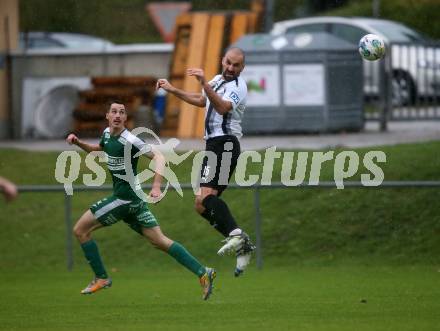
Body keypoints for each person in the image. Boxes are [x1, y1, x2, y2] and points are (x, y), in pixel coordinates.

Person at [66, 101, 216, 300]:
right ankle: (203, 272)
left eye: (122, 112)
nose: (118, 115)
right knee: (160, 241)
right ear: (107, 116)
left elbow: (160, 158)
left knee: (80, 230)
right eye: (114, 112)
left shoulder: (130, 140)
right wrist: (78, 143)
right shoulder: (107, 134)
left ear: (126, 118)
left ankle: (101, 278)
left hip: (125, 199)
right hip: (134, 200)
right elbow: (98, 150)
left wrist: (156, 186)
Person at [156, 47, 255, 277]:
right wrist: (173, 89)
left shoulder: (238, 86)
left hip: (226, 143)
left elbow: (221, 107)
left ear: (242, 67)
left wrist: (203, 82)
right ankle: (242, 243)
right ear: (223, 60)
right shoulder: (218, 79)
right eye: (228, 63)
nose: (231, 68)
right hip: (213, 145)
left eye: (236, 65)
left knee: (207, 196)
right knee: (201, 204)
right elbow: (203, 100)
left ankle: (238, 235)